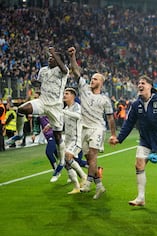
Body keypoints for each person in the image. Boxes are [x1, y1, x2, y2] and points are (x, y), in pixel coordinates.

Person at [109, 75, 157, 206]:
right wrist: (119, 139)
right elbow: (128, 123)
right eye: (139, 83)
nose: (140, 85)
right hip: (145, 140)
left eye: (143, 83)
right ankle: (141, 197)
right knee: (139, 164)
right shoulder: (135, 104)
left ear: (150, 86)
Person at [8, 47, 68, 181]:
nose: (50, 58)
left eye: (53, 57)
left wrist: (54, 52)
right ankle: (20, 134)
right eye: (50, 57)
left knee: (58, 137)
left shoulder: (62, 70)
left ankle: (62, 163)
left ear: (58, 60)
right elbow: (39, 83)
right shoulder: (43, 70)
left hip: (56, 107)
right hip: (42, 102)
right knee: (21, 109)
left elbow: (64, 68)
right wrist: (34, 82)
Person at [68, 46, 116, 200]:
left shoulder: (105, 99)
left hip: (97, 128)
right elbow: (76, 72)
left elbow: (110, 118)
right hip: (84, 128)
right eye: (92, 78)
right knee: (89, 159)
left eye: (95, 79)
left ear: (101, 83)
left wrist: (113, 134)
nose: (92, 80)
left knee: (93, 155)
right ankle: (100, 186)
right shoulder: (84, 89)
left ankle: (88, 182)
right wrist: (72, 56)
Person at [62, 87, 87, 194]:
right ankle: (76, 186)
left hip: (77, 139)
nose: (64, 95)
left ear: (72, 96)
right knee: (65, 163)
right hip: (67, 139)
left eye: (66, 93)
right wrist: (49, 125)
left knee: (68, 156)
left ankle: (83, 176)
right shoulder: (66, 109)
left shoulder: (77, 107)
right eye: (64, 93)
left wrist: (63, 111)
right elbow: (61, 121)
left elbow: (78, 116)